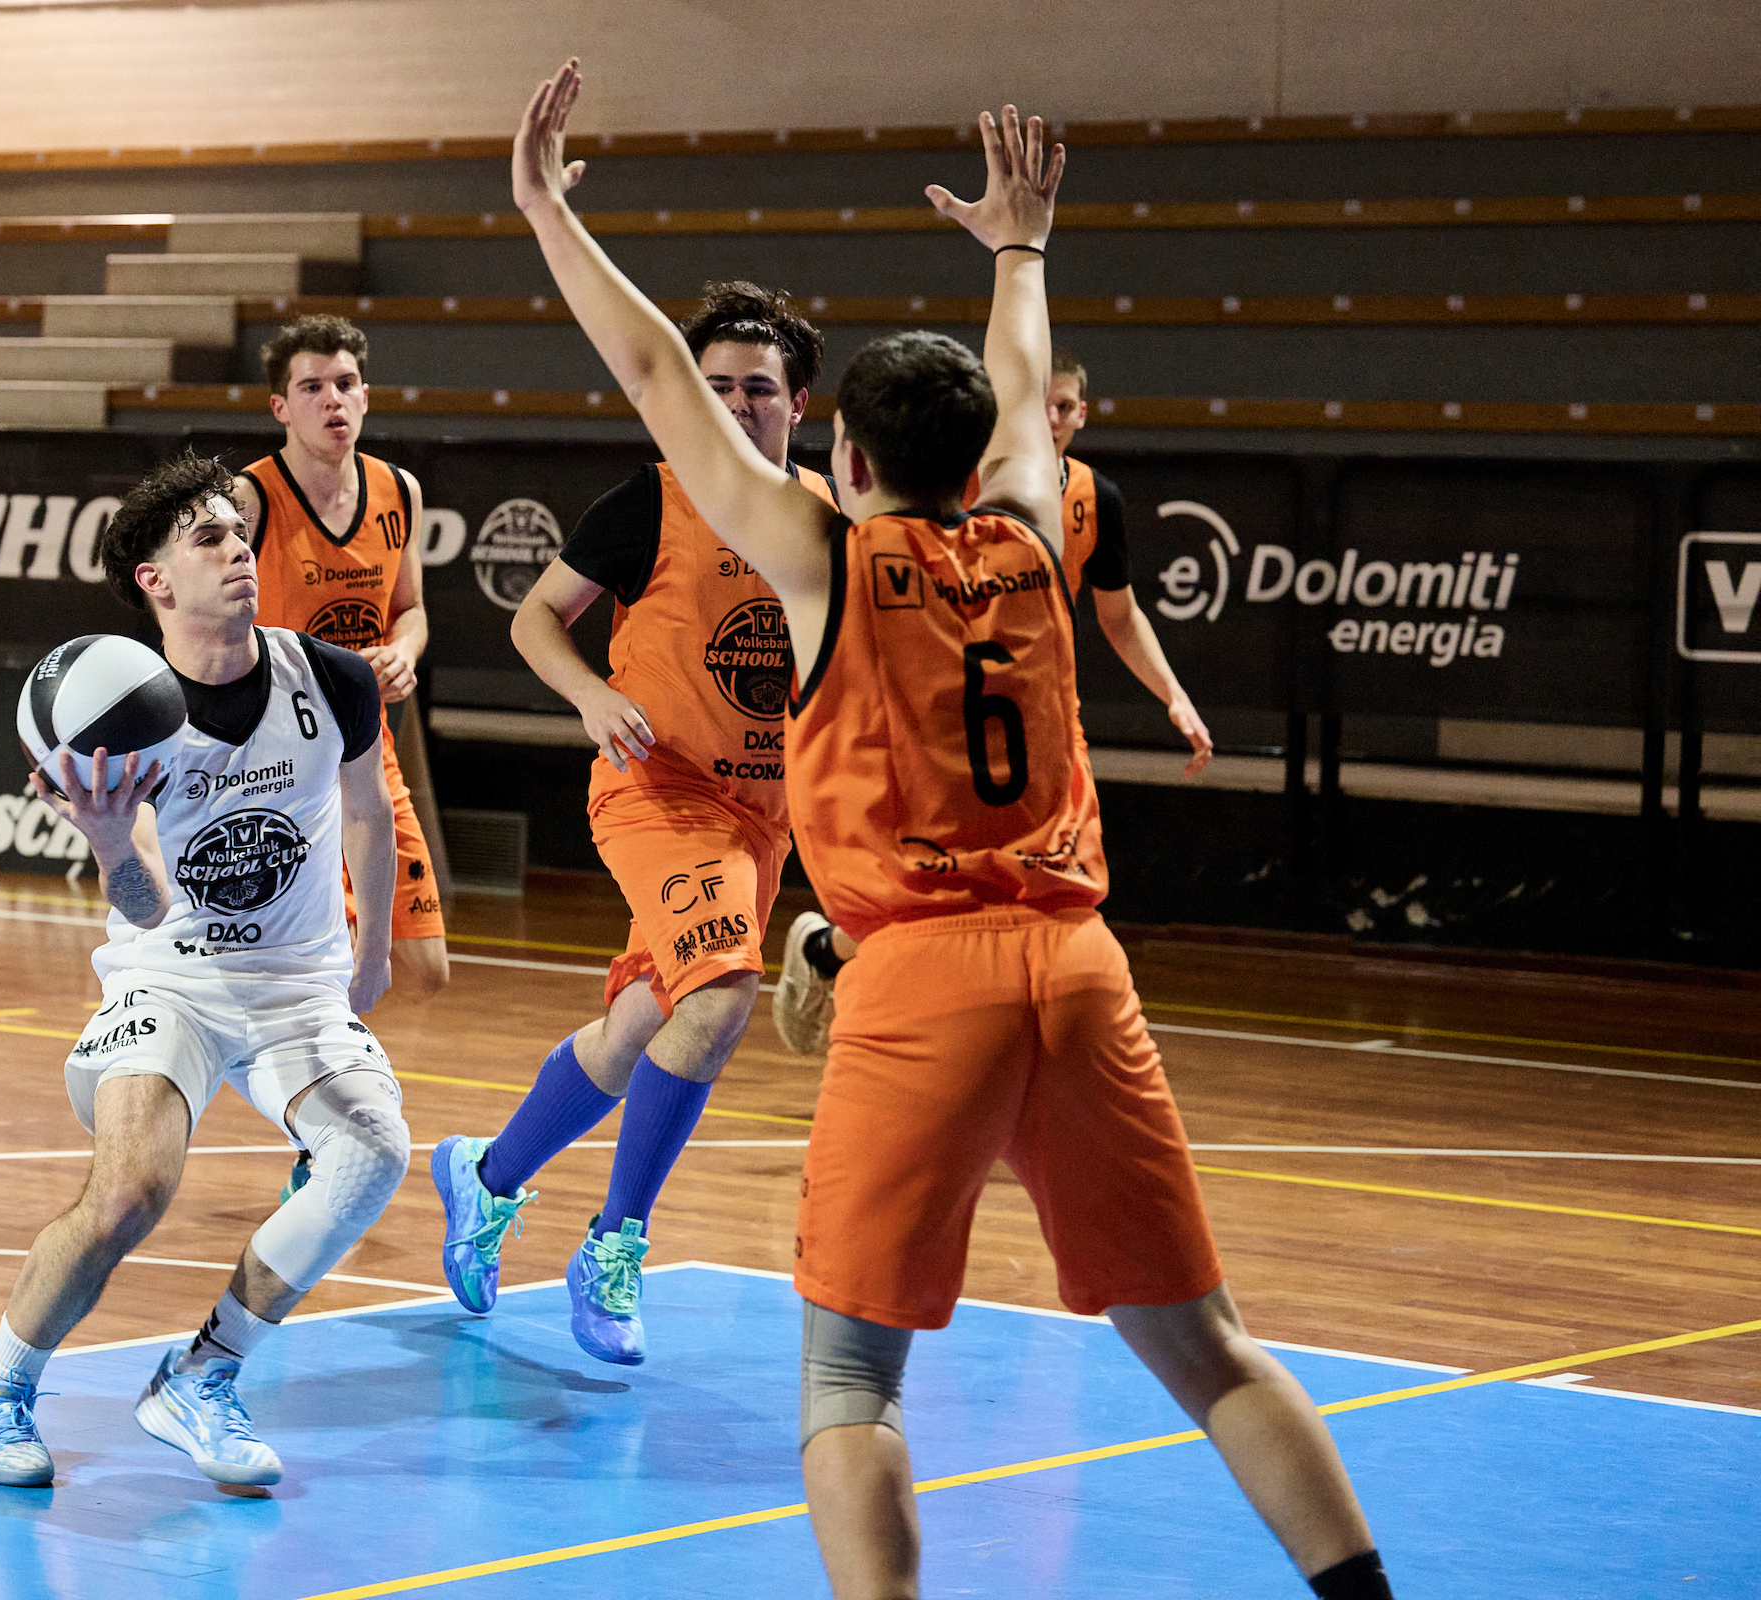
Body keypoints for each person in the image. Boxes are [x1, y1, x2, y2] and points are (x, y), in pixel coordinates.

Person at [508, 60, 1396, 1600]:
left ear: (842, 459)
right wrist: (1022, 249)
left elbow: (660, 380)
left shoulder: (828, 559)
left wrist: (543, 213)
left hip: (924, 979)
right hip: (1080, 965)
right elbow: (1021, 379)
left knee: (851, 1387)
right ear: (988, 457)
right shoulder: (1041, 535)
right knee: (1212, 1350)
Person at [0, 450, 408, 1491]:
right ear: (153, 578)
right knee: (131, 1193)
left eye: (243, 535)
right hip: (176, 979)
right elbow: (149, 903)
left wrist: (368, 956)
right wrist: (110, 840)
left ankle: (202, 1376)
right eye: (208, 539)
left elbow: (373, 815)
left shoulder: (328, 677)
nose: (239, 551)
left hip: (297, 982)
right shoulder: (123, 721)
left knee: (373, 1150)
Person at [428, 282, 837, 1365]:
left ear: (800, 402)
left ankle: (485, 1177)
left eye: (757, 389)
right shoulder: (648, 501)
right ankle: (615, 1245)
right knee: (723, 995)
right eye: (713, 390)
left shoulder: (828, 515)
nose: (734, 407)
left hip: (764, 815)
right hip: (658, 791)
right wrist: (590, 694)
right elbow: (533, 616)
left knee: (642, 1028)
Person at [773, 345, 1215, 1053]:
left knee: (1015, 882)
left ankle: (835, 954)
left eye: (1065, 405)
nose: (1053, 417)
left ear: (1082, 413)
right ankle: (856, 968)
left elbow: (1120, 616)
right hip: (925, 690)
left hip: (1025, 694)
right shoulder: (965, 477)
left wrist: (1174, 695)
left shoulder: (1094, 499)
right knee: (928, 875)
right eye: (1042, 403)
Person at [236, 315, 450, 1006]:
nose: (332, 399)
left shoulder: (399, 490)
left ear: (365, 395)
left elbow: (411, 609)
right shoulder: (248, 498)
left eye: (345, 383)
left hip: (364, 746)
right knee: (325, 964)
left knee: (422, 965)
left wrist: (402, 651)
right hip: (278, 757)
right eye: (312, 387)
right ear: (281, 407)